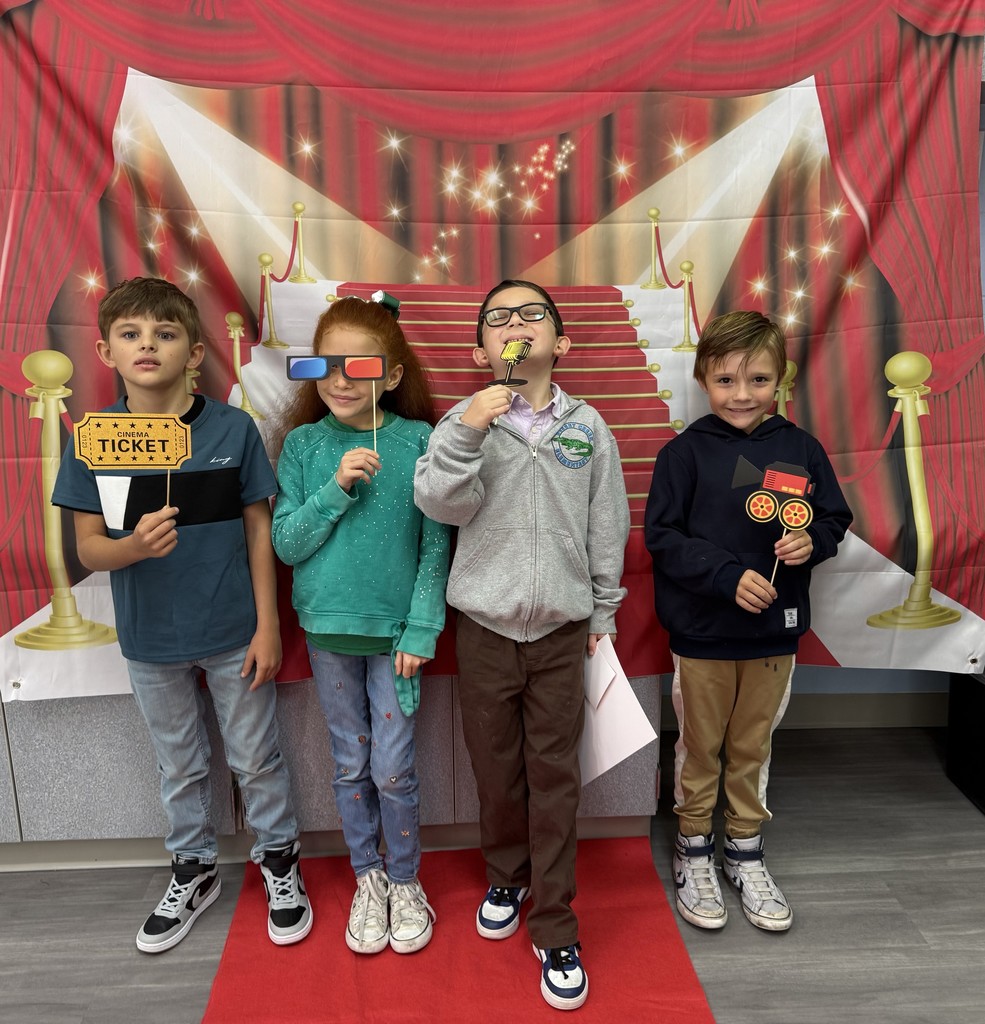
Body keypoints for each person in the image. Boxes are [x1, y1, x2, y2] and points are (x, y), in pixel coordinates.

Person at [52, 277, 311, 953]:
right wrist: (131, 546)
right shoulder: (92, 439)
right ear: (106, 351)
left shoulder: (233, 429)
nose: (148, 345)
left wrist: (268, 624)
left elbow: (260, 529)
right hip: (150, 640)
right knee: (180, 766)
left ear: (194, 352)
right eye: (131, 334)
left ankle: (279, 859)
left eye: (164, 334)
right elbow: (86, 549)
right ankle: (193, 869)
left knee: (256, 759)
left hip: (234, 633)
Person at [414, 280, 630, 1010]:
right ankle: (505, 875)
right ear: (480, 349)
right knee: (496, 770)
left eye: (530, 315)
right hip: (484, 629)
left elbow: (608, 524)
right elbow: (442, 505)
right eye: (498, 318)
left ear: (559, 343)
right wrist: (471, 426)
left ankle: (555, 921)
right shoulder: (460, 421)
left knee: (554, 775)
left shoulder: (587, 425)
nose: (515, 325)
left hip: (564, 631)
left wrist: (601, 613)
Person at [644, 309, 852, 933]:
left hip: (774, 635)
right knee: (700, 745)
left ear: (781, 381)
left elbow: (835, 520)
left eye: (758, 380)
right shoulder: (683, 454)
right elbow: (662, 537)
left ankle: (743, 846)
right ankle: (693, 847)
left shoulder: (802, 448)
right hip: (702, 634)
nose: (743, 394)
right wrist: (726, 576)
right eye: (728, 380)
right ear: (705, 378)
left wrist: (811, 539)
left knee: (751, 745)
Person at [271, 295, 450, 956]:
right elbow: (286, 545)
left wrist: (421, 628)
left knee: (393, 769)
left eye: (359, 364)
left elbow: (436, 546)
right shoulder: (303, 446)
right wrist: (335, 489)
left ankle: (405, 881)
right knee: (349, 765)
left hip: (398, 637)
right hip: (327, 635)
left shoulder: (419, 442)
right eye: (326, 364)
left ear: (393, 374)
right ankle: (367, 877)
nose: (341, 379)